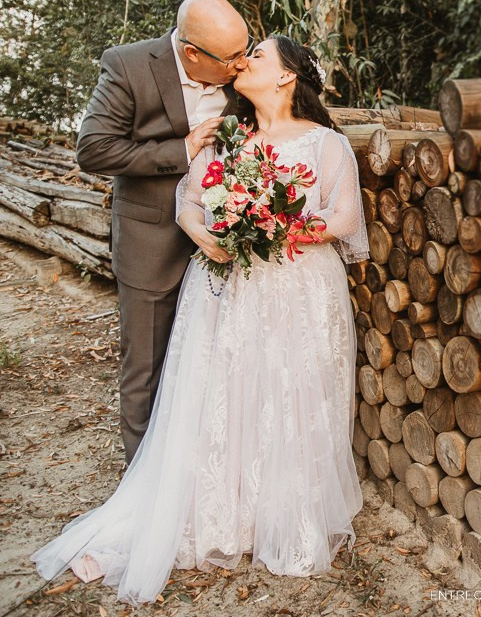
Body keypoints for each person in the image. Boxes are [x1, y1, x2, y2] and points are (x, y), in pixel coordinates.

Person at [32, 35, 367, 605]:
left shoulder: (326, 143)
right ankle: (222, 507)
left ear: (287, 77)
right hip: (226, 283)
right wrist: (207, 235)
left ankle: (280, 508)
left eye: (257, 56)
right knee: (226, 388)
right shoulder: (227, 137)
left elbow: (345, 215)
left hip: (300, 287)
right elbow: (188, 201)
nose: (244, 63)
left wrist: (274, 230)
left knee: (289, 391)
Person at [76, 0, 251, 463]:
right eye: (232, 58)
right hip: (150, 242)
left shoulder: (242, 75)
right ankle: (140, 489)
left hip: (226, 244)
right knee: (146, 372)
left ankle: (196, 479)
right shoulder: (129, 65)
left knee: (214, 367)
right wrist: (182, 150)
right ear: (192, 52)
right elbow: (92, 149)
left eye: (245, 51)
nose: (242, 66)